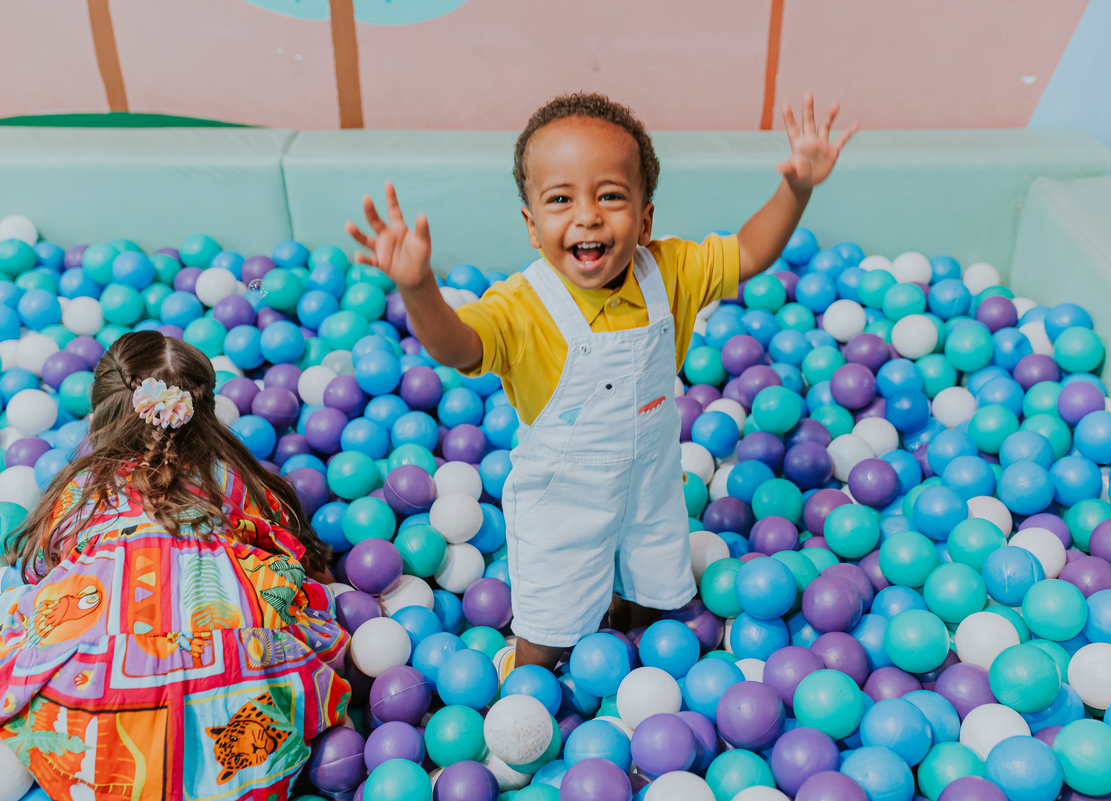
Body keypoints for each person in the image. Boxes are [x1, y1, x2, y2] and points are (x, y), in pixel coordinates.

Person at [346, 92, 856, 671]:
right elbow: (459, 345)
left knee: (653, 584)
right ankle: (530, 683)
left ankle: (629, 650)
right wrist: (418, 289)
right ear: (532, 226)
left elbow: (750, 251)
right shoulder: (523, 305)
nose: (587, 214)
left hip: (653, 479)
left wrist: (797, 188)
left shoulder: (671, 271)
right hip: (563, 496)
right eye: (561, 199)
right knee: (551, 616)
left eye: (609, 196)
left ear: (645, 218)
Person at [0, 331, 350, 801]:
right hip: (235, 713)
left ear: (99, 416)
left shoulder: (85, 488)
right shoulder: (235, 479)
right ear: (203, 416)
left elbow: (46, 568)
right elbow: (295, 558)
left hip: (94, 724)